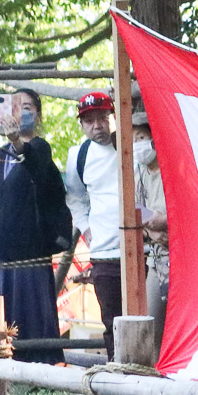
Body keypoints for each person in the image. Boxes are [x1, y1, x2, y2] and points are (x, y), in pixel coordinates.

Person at [0, 89, 70, 363]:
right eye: (17, 106)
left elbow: (34, 166)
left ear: (37, 115)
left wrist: (18, 141)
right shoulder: (2, 153)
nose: (22, 112)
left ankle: (37, 363)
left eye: (28, 107)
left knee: (30, 316)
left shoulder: (40, 148)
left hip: (28, 251)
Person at [62, 90, 124, 357]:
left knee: (146, 315)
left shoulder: (133, 144)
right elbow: (75, 198)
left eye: (102, 117)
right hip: (104, 251)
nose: (97, 125)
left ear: (113, 116)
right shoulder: (79, 155)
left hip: (144, 248)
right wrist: (86, 228)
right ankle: (118, 376)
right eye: (89, 120)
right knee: (111, 319)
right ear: (82, 125)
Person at [130, 108, 169, 332]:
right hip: (155, 258)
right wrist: (152, 229)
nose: (138, 145)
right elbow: (135, 211)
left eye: (142, 138)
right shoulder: (139, 175)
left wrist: (163, 221)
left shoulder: (172, 169)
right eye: (134, 140)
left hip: (181, 258)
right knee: (151, 324)